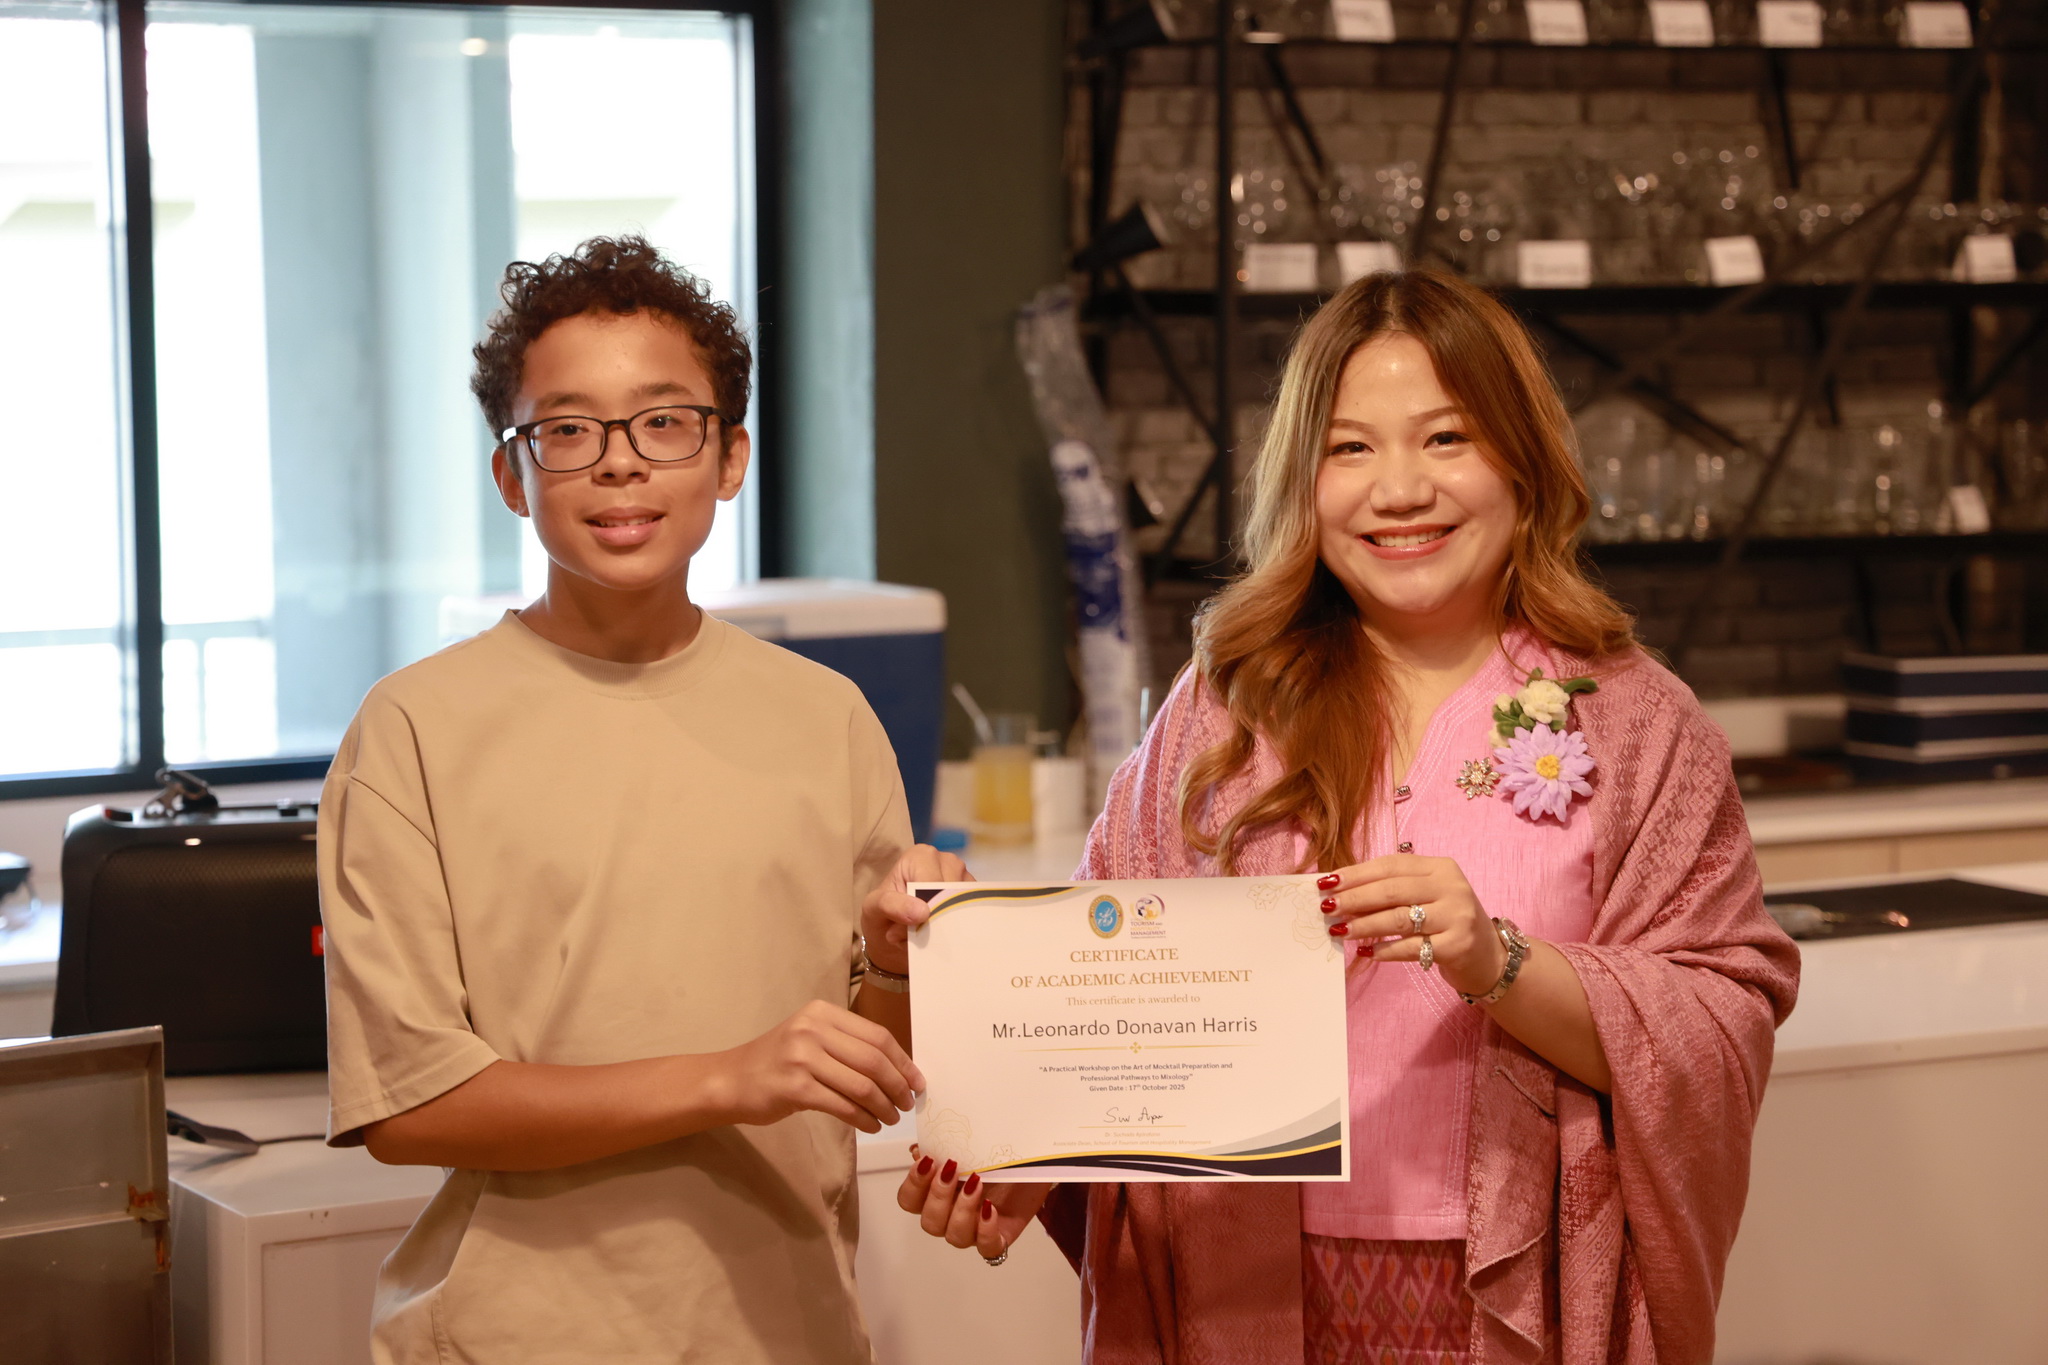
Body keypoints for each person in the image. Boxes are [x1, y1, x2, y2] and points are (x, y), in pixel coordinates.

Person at [897, 268, 1799, 1364]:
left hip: (1526, 1295)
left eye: (1446, 438)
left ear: (1522, 462)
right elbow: (1102, 1005)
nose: (1399, 490)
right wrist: (1022, 1160)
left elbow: (1719, 1014)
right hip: (1247, 1298)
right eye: (1350, 448)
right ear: (1302, 482)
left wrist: (1498, 961)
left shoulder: (1638, 723)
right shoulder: (1221, 713)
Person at [318, 235, 951, 1363]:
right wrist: (727, 1076)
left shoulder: (829, 718)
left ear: (729, 457)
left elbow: (870, 1070)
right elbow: (407, 1107)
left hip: (785, 1330)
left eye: (664, 422)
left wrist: (899, 963)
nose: (620, 465)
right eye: (568, 431)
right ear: (512, 475)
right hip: (511, 1338)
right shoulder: (413, 728)